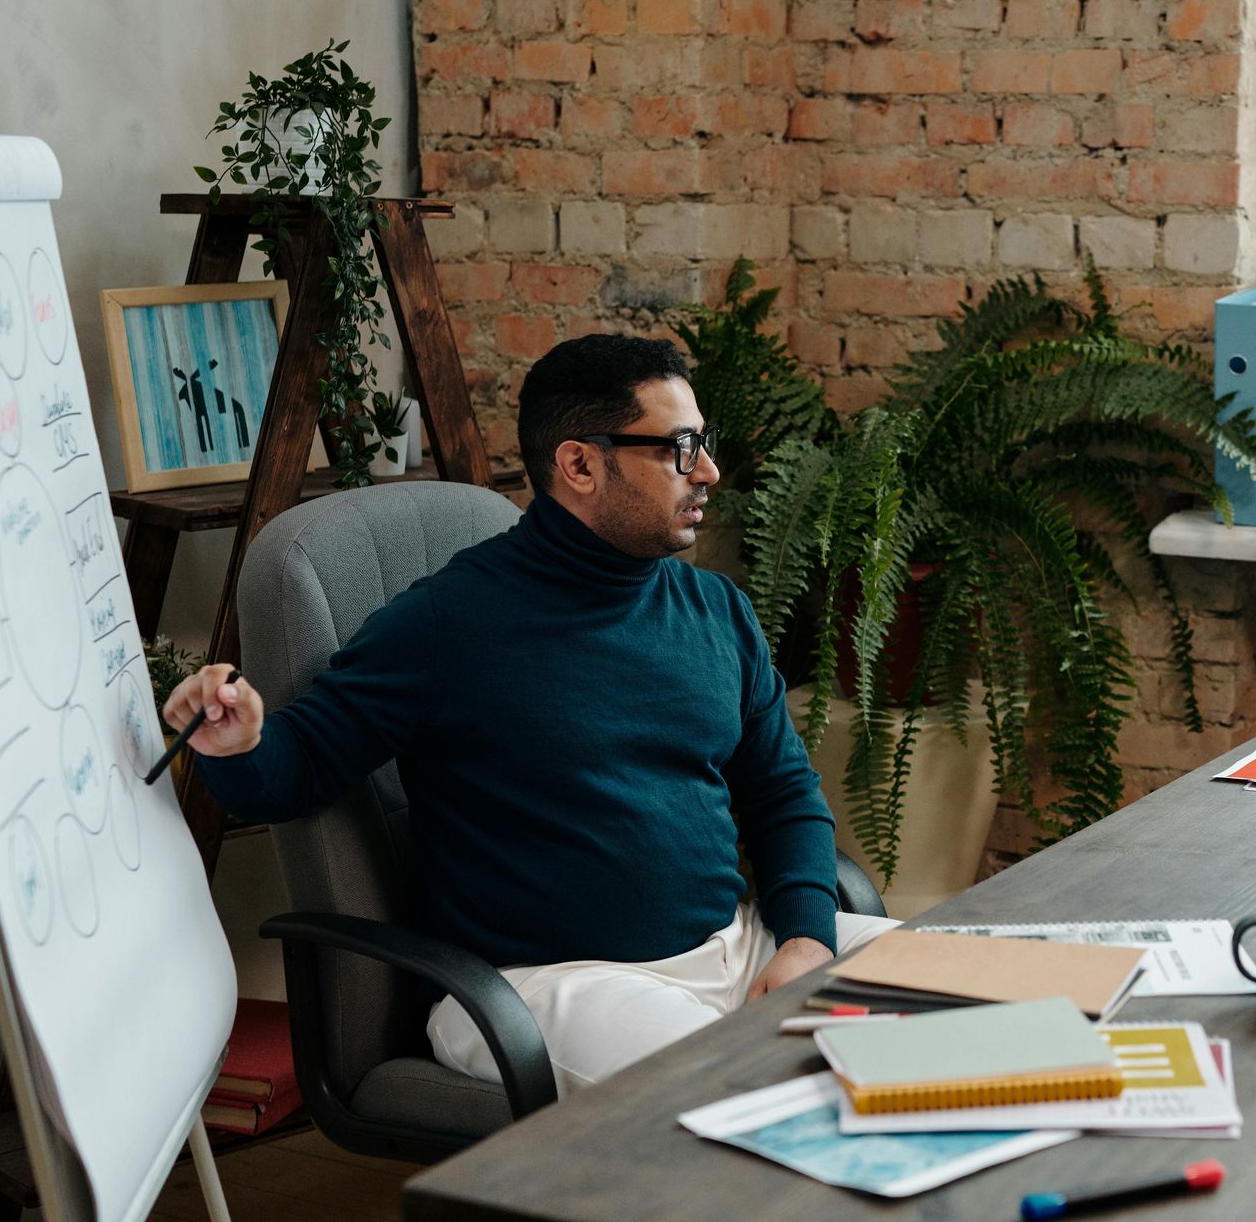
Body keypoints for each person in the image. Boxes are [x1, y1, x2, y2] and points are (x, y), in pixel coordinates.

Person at [162, 334, 898, 1095]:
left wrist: (807, 940)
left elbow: (783, 796)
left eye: (703, 443)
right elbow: (297, 769)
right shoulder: (449, 623)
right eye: (680, 448)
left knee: (973, 997)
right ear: (579, 465)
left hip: (737, 947)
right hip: (549, 986)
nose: (707, 471)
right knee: (764, 1090)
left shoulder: (716, 611)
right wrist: (239, 741)